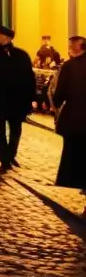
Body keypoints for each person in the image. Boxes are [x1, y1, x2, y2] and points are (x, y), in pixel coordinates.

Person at [0, 24, 35, 172]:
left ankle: (11, 154)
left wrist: (31, 97)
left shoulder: (21, 55)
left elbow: (29, 78)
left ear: (8, 38)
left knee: (16, 128)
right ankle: (4, 159)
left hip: (18, 100)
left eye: (0, 35)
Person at [52, 36, 86, 215]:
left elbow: (59, 94)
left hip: (76, 122)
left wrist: (56, 104)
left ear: (78, 46)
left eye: (71, 45)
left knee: (77, 160)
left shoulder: (70, 67)